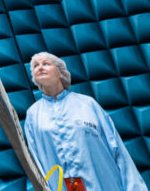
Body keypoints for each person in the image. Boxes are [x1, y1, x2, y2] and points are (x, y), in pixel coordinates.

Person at [24, 52, 147, 191]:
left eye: (45, 63)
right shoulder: (33, 114)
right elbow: (35, 160)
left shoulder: (87, 104)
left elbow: (116, 147)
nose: (40, 67)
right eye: (35, 66)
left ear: (60, 73)